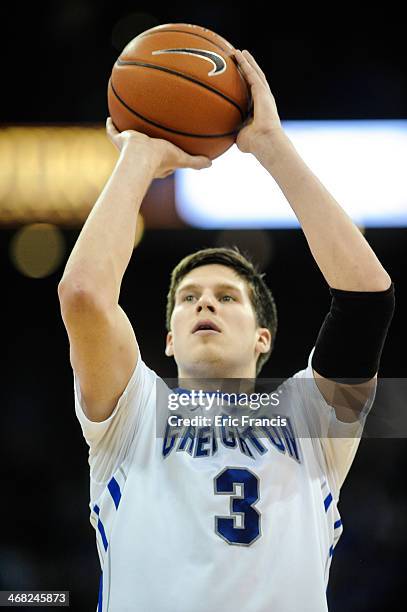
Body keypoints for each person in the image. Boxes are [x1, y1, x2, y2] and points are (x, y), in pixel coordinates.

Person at [58, 49, 395, 611]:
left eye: (226, 296)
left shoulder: (310, 416)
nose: (203, 304)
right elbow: (85, 295)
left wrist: (270, 145)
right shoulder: (132, 411)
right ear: (167, 339)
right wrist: (138, 157)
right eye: (187, 298)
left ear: (263, 336)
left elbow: (367, 301)